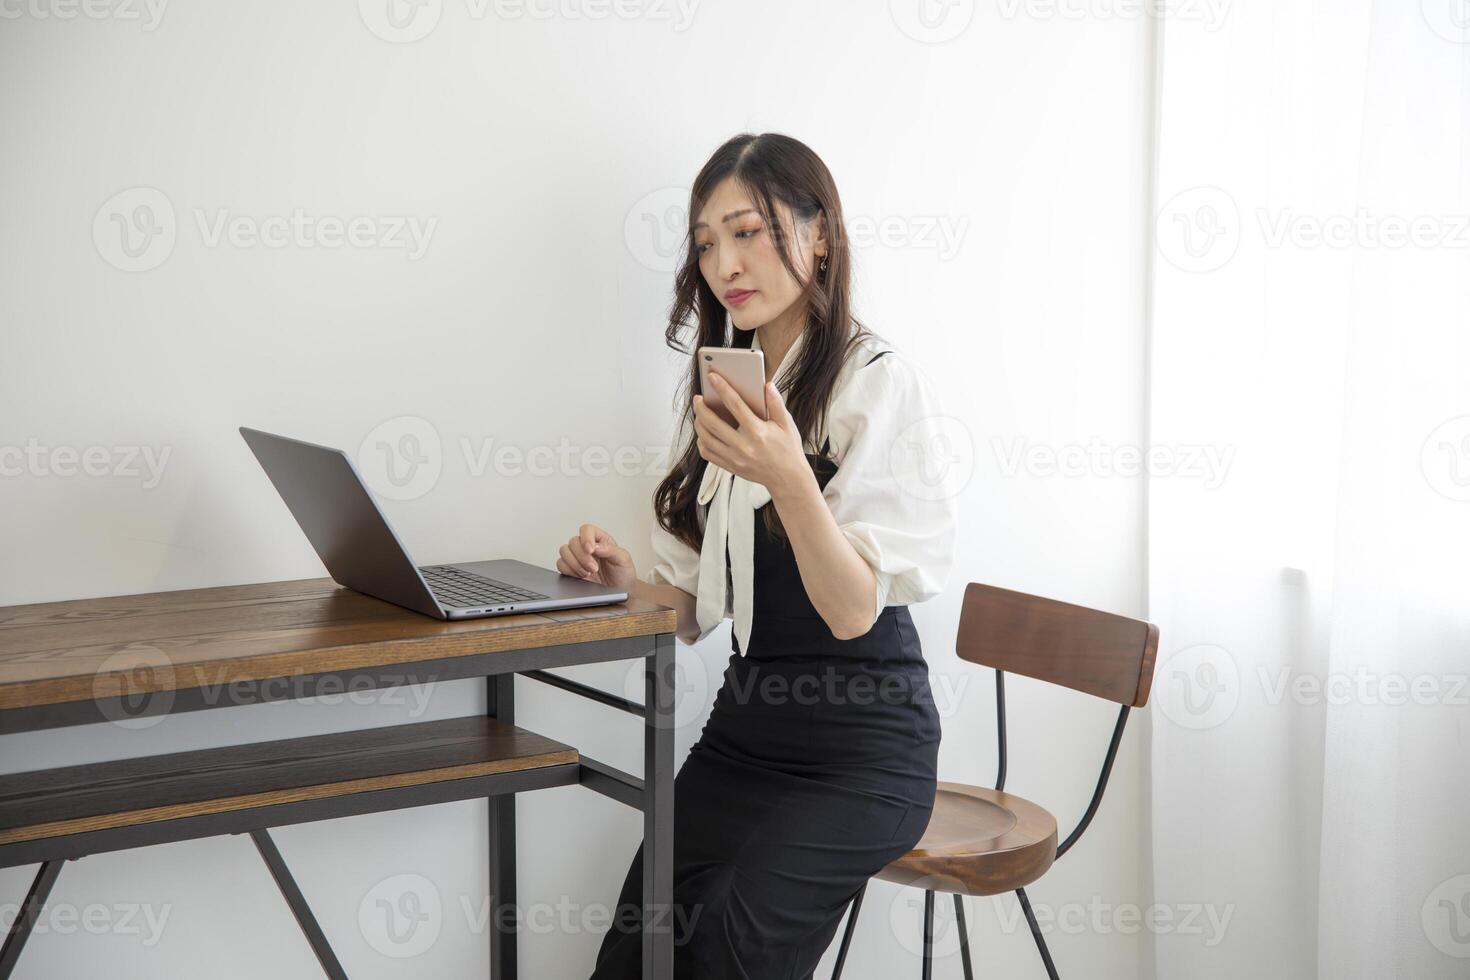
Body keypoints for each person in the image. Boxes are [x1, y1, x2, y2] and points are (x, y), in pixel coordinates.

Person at [558, 132, 958, 979]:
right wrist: (619, 581)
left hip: (866, 747)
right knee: (638, 950)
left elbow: (854, 612)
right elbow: (698, 611)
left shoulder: (875, 383)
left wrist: (788, 477)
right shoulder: (722, 389)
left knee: (720, 949)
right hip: (749, 729)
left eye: (747, 231)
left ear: (818, 235)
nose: (724, 262)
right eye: (706, 243)